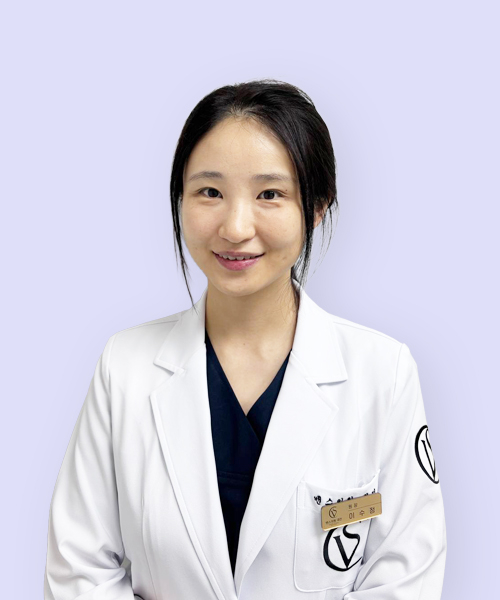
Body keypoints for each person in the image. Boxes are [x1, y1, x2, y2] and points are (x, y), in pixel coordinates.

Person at [44, 79, 447, 600]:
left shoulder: (383, 374)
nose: (235, 227)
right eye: (210, 192)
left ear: (317, 207)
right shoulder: (125, 366)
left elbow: (404, 576)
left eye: (270, 194)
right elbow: (79, 569)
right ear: (181, 200)